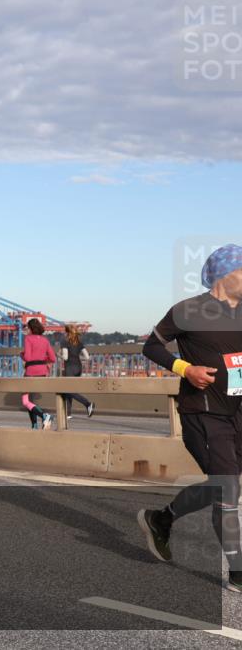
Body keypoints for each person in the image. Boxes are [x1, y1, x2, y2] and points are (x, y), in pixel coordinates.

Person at [137, 244, 242, 591]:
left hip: (238, 412)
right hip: (204, 413)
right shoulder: (188, 310)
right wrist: (186, 369)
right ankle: (238, 572)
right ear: (226, 275)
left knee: (221, 485)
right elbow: (151, 346)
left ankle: (161, 519)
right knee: (226, 487)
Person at [20, 318, 56, 430]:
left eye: (27, 328)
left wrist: (21, 355)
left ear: (31, 328)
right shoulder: (45, 340)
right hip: (43, 372)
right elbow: (53, 358)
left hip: (31, 371)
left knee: (26, 401)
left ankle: (44, 416)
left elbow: (27, 357)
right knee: (32, 401)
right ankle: (34, 425)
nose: (27, 330)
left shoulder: (28, 338)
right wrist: (42, 359)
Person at [59, 324, 95, 419]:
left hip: (70, 367)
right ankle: (68, 414)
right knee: (70, 390)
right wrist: (76, 357)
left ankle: (87, 404)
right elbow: (87, 357)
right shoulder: (79, 342)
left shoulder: (65, 342)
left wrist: (59, 355)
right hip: (78, 367)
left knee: (68, 390)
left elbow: (65, 357)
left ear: (67, 332)